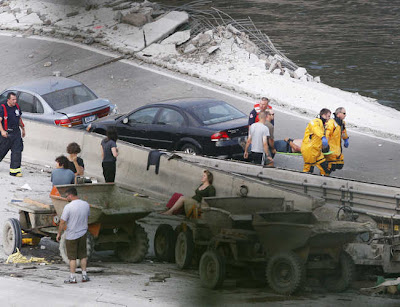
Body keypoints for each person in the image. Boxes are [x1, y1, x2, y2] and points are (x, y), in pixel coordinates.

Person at [56, 187, 90, 284]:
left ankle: (72, 277)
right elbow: (88, 217)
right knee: (83, 256)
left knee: (72, 258)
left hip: (71, 235)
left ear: (71, 195)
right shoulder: (86, 205)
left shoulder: (68, 207)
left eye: (67, 196)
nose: (67, 198)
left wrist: (59, 233)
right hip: (83, 233)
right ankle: (84, 275)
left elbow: (62, 222)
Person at [0, 92, 25, 177]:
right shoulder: (3, 108)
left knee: (17, 151)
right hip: (6, 134)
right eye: (13, 99)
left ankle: (15, 171)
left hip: (16, 133)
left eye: (15, 99)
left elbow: (19, 119)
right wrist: (2, 131)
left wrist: (23, 129)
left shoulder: (17, 107)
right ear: (8, 100)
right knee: (1, 151)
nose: (15, 101)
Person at [301, 108, 331, 176]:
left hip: (316, 150)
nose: (329, 118)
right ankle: (304, 183)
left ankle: (323, 182)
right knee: (308, 170)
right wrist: (322, 137)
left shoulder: (323, 125)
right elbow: (315, 129)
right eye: (328, 116)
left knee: (325, 168)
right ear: (323, 115)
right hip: (310, 150)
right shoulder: (316, 121)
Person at [325, 107, 349, 172]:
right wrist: (325, 144)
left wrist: (346, 139)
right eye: (344, 113)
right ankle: (324, 177)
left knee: (339, 165)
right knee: (330, 166)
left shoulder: (342, 124)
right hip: (331, 149)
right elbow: (327, 133)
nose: (345, 115)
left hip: (338, 150)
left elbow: (343, 132)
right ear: (338, 114)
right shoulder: (331, 123)